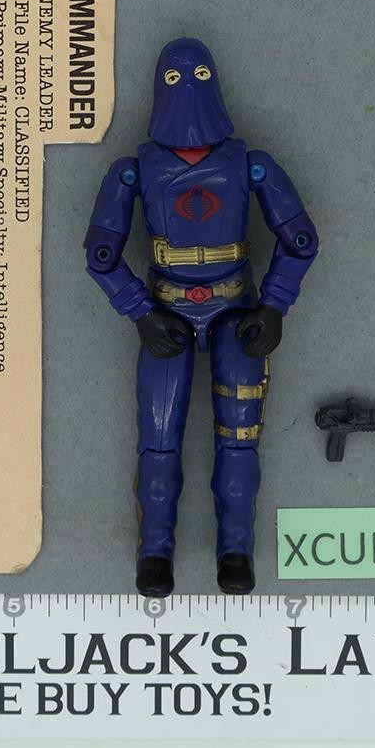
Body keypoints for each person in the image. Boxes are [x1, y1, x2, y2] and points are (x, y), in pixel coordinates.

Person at [84, 38, 319, 596]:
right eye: (174, 79)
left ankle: (235, 551)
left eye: (196, 76)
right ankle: (154, 554)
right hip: (167, 312)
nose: (186, 90)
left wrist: (274, 305)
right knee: (158, 436)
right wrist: (141, 312)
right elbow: (100, 253)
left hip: (235, 311)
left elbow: (300, 240)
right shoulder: (134, 172)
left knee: (239, 437)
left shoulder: (250, 165)